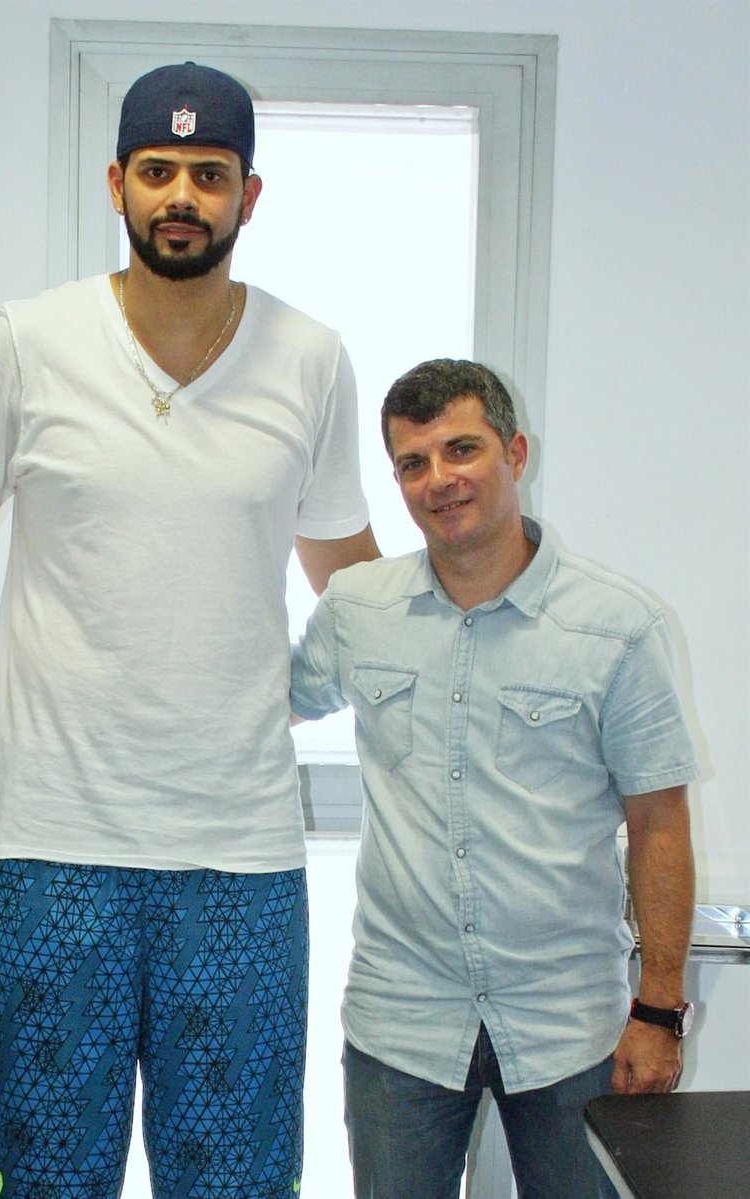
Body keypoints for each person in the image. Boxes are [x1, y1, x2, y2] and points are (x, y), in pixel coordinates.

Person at [0, 62, 379, 1199]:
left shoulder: (309, 358)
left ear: (247, 196)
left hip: (240, 851)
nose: (182, 196)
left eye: (209, 174)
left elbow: (356, 591)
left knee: (235, 1177)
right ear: (116, 182)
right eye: (158, 170)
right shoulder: (28, 341)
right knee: (41, 1173)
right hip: (56, 836)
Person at [291, 358, 698, 1199]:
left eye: (461, 449)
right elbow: (258, 707)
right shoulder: (359, 610)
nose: (439, 480)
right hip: (402, 1024)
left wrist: (659, 1009)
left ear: (515, 452)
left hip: (568, 1029)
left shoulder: (615, 626)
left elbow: (660, 823)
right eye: (413, 462)